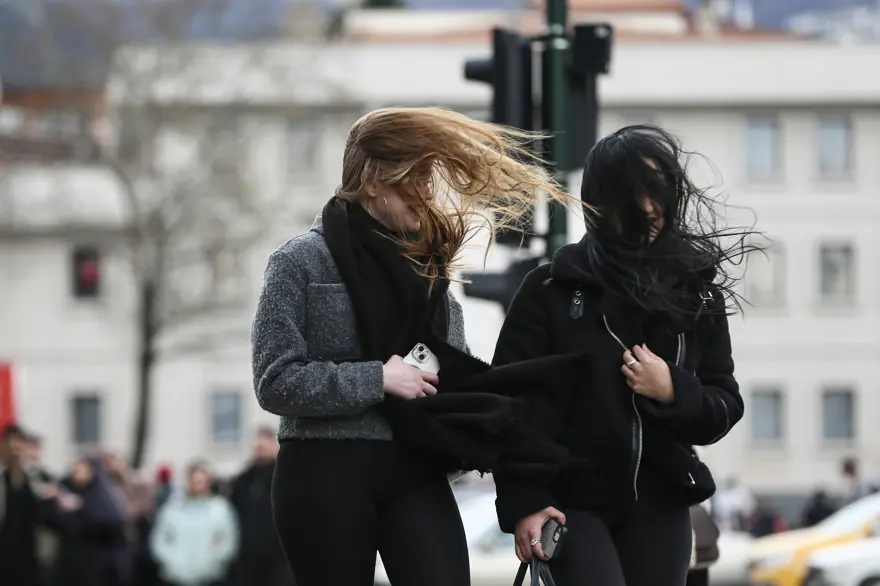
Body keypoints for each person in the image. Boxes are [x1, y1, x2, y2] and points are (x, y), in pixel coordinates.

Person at [252, 106, 575, 586]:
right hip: (322, 469)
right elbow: (274, 381)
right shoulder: (300, 261)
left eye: (429, 179)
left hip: (414, 468)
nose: (426, 193)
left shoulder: (428, 268)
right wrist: (378, 378)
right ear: (373, 180)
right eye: (415, 178)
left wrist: (517, 475)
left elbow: (455, 382)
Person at [492, 125, 756, 586]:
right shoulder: (550, 290)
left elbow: (723, 406)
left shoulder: (697, 294)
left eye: (658, 191)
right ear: (601, 202)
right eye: (634, 194)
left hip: (662, 504)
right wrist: (525, 502)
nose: (649, 208)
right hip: (571, 504)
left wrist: (673, 390)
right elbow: (509, 407)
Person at [150, 462, 239, 586]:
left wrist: (212, 561)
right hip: (175, 578)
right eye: (194, 480)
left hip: (209, 578)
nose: (197, 485)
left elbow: (228, 542)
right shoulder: (171, 509)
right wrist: (172, 562)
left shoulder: (220, 509)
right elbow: (159, 541)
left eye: (201, 481)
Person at [229, 427, 294, 586]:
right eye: (258, 442)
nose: (261, 446)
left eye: (266, 442)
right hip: (248, 559)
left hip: (279, 560)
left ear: (274, 446)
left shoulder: (286, 477)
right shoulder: (243, 481)